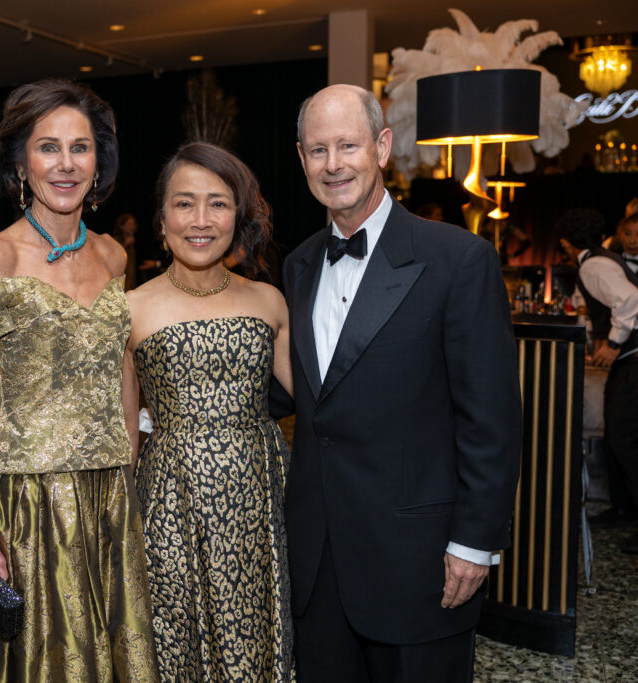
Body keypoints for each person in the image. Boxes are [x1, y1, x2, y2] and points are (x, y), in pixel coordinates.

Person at [279, 84, 521, 682]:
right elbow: (304, 392)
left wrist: (474, 542)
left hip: (419, 559)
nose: (333, 164)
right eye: (317, 150)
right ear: (302, 160)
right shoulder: (298, 264)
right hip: (318, 559)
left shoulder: (460, 260)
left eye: (348, 145)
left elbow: (490, 417)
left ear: (382, 147)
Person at [0, 79, 158, 682]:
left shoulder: (115, 256)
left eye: (80, 148)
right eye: (47, 148)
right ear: (20, 162)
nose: (65, 164)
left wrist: (127, 470)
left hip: (109, 499)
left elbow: (123, 376)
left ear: (99, 162)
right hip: (28, 507)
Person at [126, 141, 295, 680]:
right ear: (162, 217)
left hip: (263, 497)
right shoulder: (130, 308)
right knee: (176, 642)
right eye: (184, 203)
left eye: (218, 203)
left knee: (261, 639)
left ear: (238, 216)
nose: (200, 220)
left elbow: (325, 411)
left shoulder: (269, 301)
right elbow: (124, 432)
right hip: (170, 504)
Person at [558, 209, 638, 543]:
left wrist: (614, 343)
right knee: (617, 436)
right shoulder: (602, 261)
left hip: (633, 357)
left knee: (624, 439)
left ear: (566, 242)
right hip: (629, 358)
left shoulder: (593, 265)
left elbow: (631, 299)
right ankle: (623, 508)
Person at [112, 212, 139, 290]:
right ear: (122, 226)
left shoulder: (134, 240)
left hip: (131, 278)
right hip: (120, 278)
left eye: (133, 224)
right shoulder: (116, 240)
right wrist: (126, 243)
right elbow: (114, 257)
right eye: (129, 224)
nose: (132, 227)